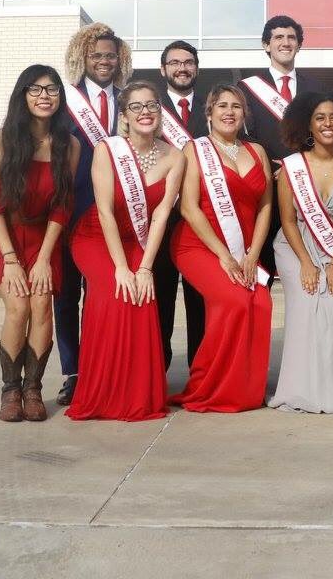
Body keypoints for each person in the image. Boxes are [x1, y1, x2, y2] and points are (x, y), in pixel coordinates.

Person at [65, 81, 183, 422]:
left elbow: (161, 214)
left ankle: (136, 395)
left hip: (138, 241)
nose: (145, 112)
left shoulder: (175, 156)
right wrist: (121, 267)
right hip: (96, 237)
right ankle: (100, 394)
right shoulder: (108, 149)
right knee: (116, 292)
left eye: (151, 106)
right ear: (125, 116)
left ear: (160, 113)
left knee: (143, 295)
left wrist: (144, 268)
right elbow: (103, 211)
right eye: (136, 107)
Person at [0, 65, 79, 422]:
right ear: (23, 95)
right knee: (18, 306)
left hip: (44, 238)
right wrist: (10, 258)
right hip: (3, 233)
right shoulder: (1, 140)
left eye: (52, 89)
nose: (44, 96)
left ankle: (33, 389)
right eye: (35, 89)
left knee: (43, 304)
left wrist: (43, 259)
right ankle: (10, 390)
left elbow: (62, 207)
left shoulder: (69, 145)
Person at [169, 85, 274, 412]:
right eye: (222, 106)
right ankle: (207, 384)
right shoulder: (194, 149)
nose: (229, 112)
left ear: (244, 114)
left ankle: (244, 388)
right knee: (234, 300)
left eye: (236, 107)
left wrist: (253, 254)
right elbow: (188, 208)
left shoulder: (257, 151)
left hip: (244, 249)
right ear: (210, 113)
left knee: (261, 301)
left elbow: (266, 207)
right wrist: (225, 256)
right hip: (198, 245)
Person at [269, 91, 333, 414]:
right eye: (319, 118)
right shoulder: (292, 168)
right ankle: (301, 390)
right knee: (308, 297)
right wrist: (306, 264)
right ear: (307, 125)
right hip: (295, 246)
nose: (328, 124)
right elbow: (287, 220)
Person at [53, 23, 130, 406]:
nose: (104, 61)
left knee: (101, 294)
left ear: (120, 60)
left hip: (115, 213)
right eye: (97, 55)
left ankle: (102, 366)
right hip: (69, 211)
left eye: (110, 55)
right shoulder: (65, 101)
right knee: (66, 296)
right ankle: (73, 371)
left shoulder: (131, 99)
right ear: (84, 57)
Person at [241, 14, 322, 280]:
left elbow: (325, 133)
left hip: (308, 186)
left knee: (308, 270)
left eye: (291, 38)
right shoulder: (247, 88)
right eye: (278, 37)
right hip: (264, 189)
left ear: (299, 45)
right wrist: (267, 166)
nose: (285, 43)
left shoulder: (317, 89)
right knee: (261, 269)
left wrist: (297, 166)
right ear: (266, 45)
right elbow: (244, 137)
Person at [153, 40, 209, 370]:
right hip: (161, 216)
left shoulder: (212, 107)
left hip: (202, 216)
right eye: (174, 63)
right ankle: (157, 368)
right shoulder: (149, 110)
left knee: (199, 299)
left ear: (196, 68)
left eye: (188, 62)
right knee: (160, 296)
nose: (182, 68)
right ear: (163, 70)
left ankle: (200, 371)